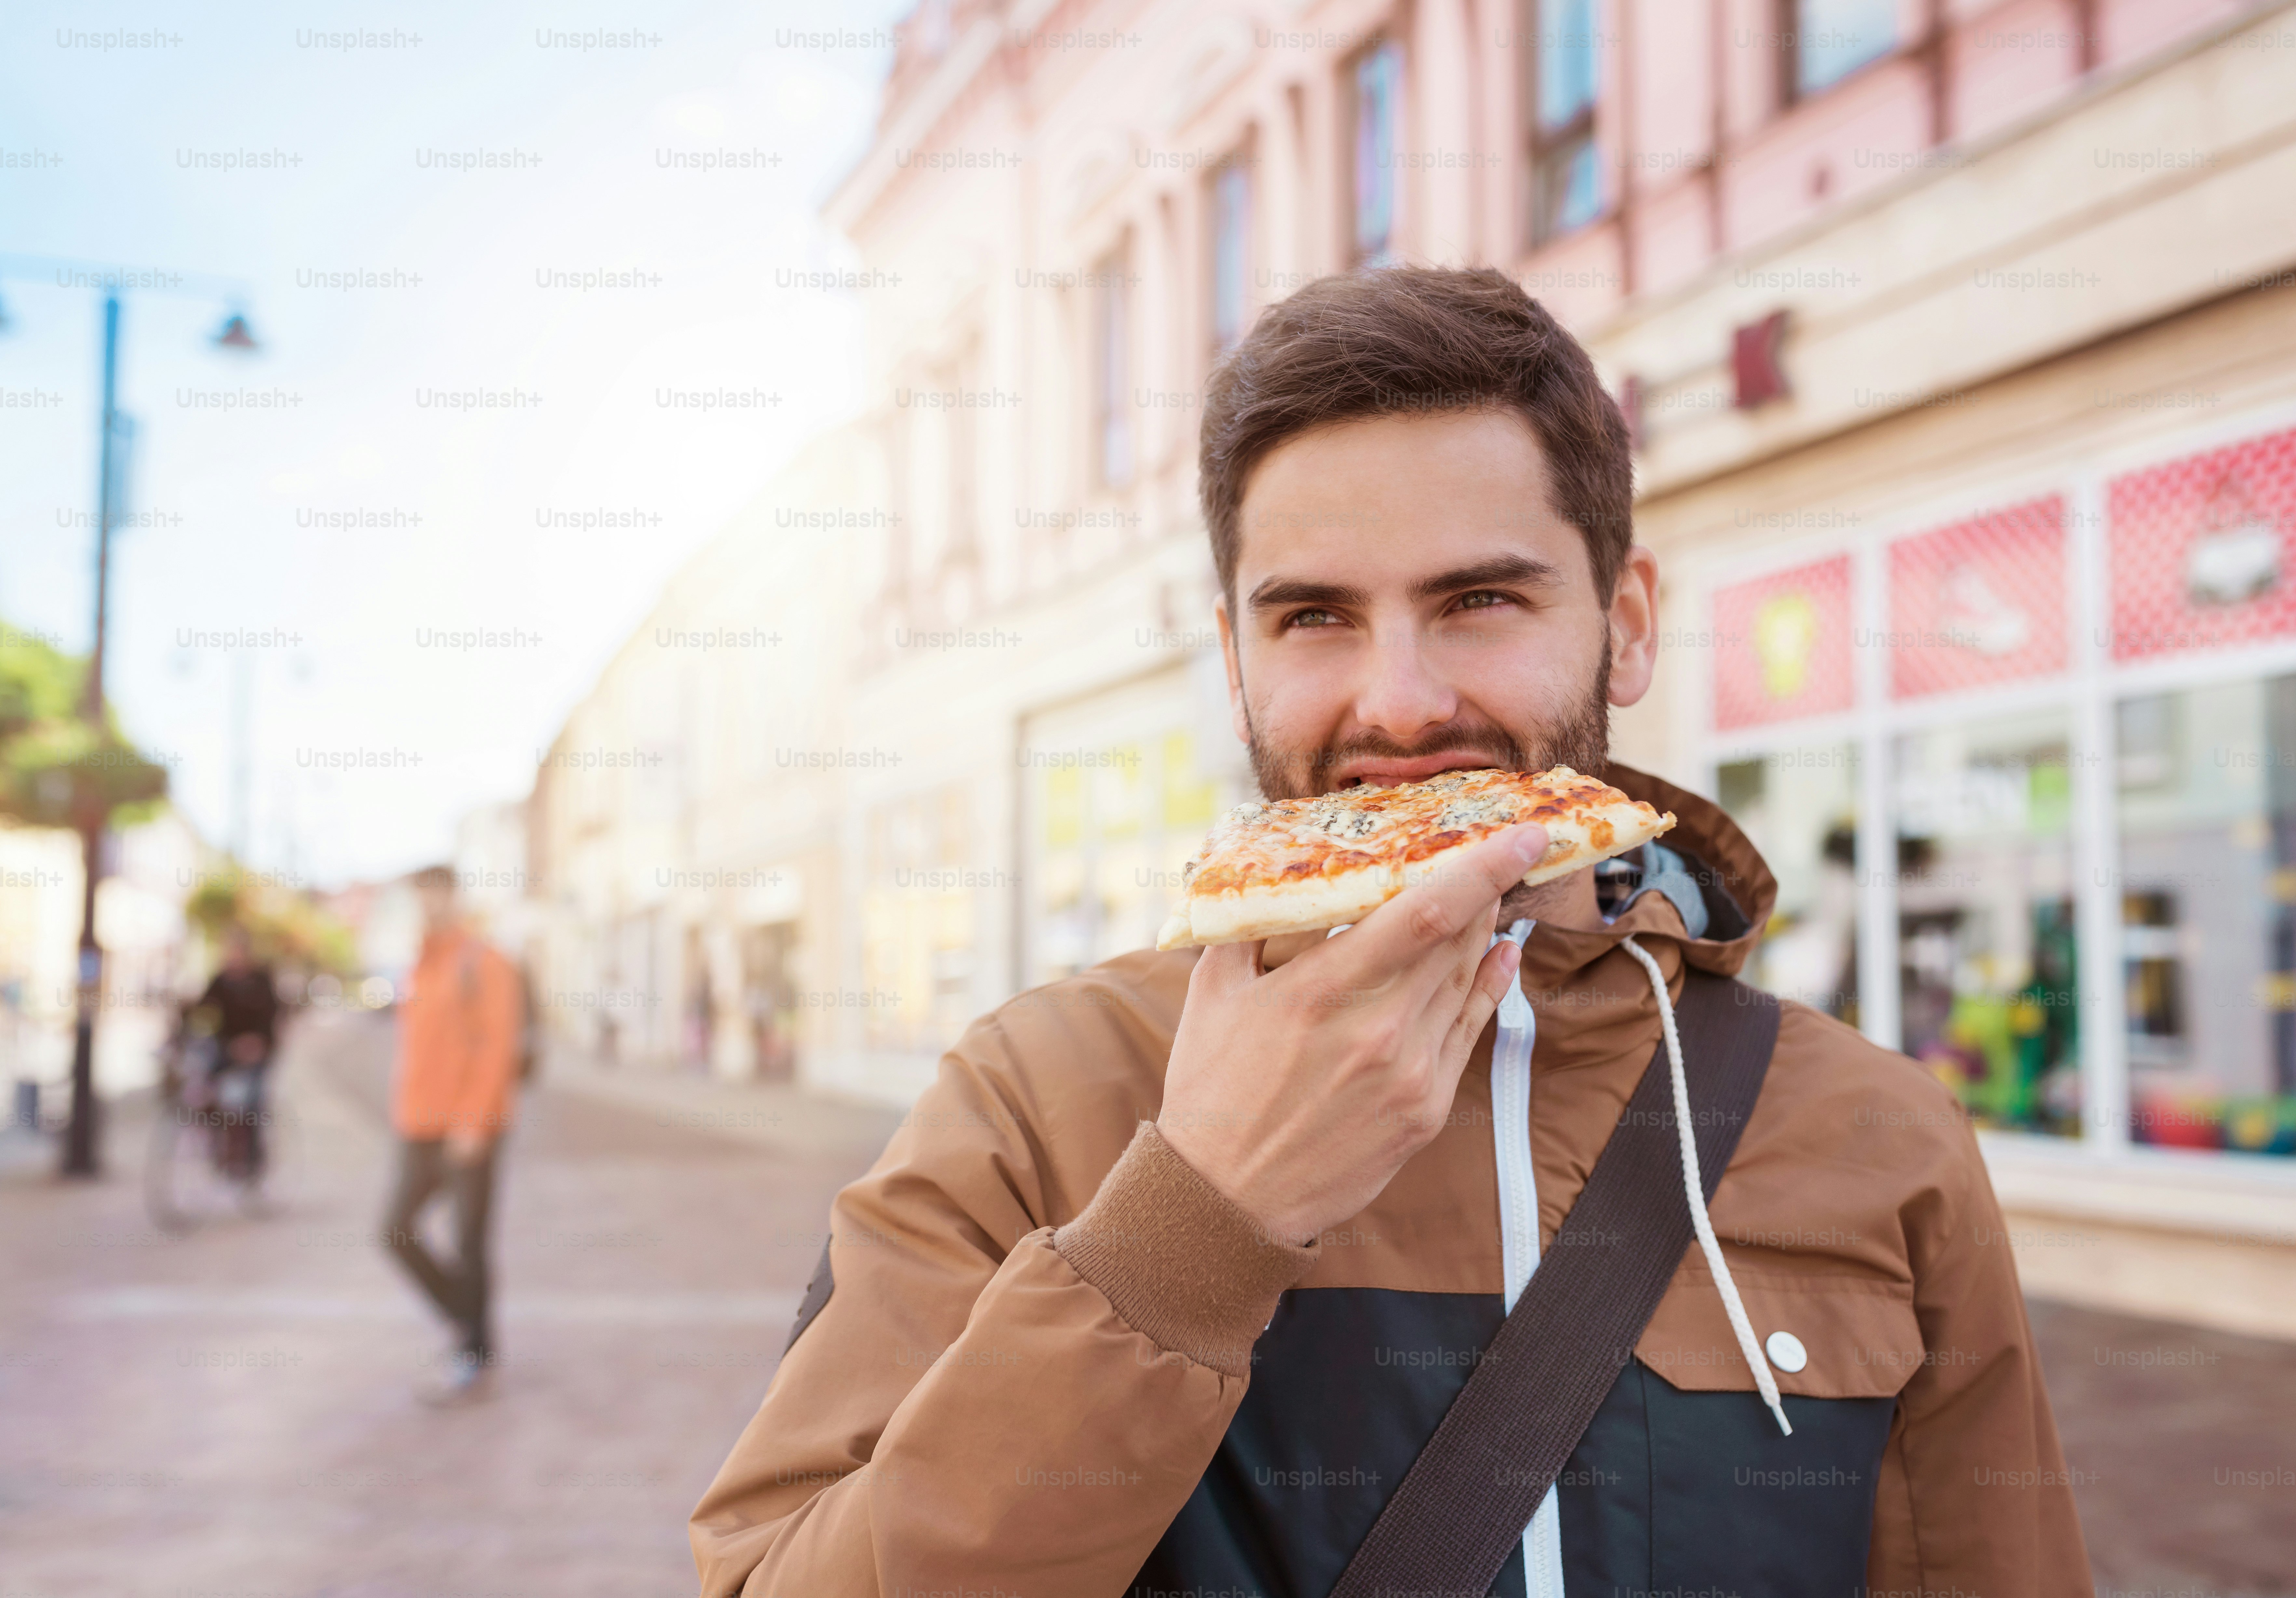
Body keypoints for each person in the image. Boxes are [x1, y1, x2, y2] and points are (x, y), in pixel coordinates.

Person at [691, 269, 2095, 1595]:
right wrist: (1189, 1226)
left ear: (1626, 622)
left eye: (1479, 599)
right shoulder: (1033, 1093)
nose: (1404, 700)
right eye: (1313, 615)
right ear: (1237, 663)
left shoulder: (1878, 1131)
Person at [383, 864, 521, 1406]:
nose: (428, 908)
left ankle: (472, 1352)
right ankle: (467, 1322)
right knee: (395, 1230)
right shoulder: (421, 962)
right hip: (418, 1124)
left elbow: (498, 1048)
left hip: (468, 1126)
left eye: (435, 897)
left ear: (454, 897)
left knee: (470, 1241)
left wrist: (474, 1121)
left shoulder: (485, 961)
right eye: (419, 899)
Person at [191, 926, 280, 1179]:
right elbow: (202, 1008)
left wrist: (258, 1042)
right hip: (227, 1050)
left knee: (251, 1104)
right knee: (208, 1093)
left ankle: (252, 1160)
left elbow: (273, 1017)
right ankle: (221, 1147)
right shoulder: (220, 980)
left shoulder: (261, 980)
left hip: (257, 1052)